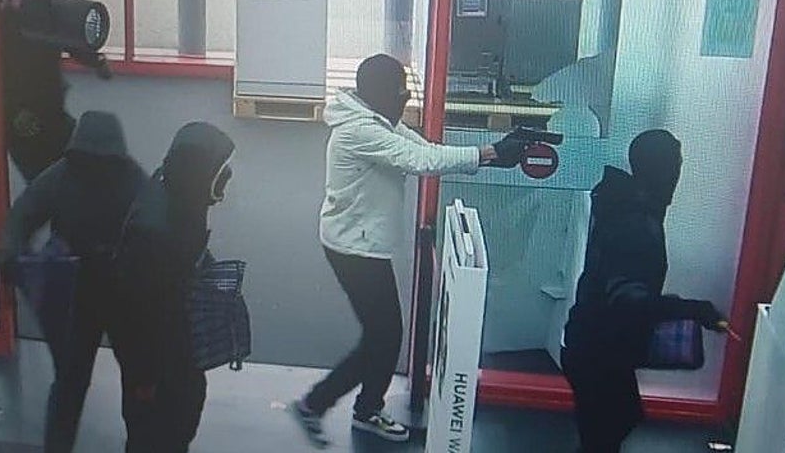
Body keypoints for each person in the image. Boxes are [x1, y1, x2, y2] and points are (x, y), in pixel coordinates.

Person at [293, 53, 529, 446]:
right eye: (400, 89)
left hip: (357, 242)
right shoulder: (359, 130)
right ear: (380, 92)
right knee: (384, 336)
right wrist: (488, 152)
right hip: (354, 248)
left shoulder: (376, 119)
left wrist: (489, 159)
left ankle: (340, 405)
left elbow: (426, 149)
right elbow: (420, 159)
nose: (405, 95)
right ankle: (333, 406)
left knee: (381, 335)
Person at [561, 129, 730, 453]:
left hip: (591, 344)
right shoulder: (637, 224)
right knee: (611, 427)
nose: (677, 177)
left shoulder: (623, 207)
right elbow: (627, 300)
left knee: (617, 422)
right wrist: (694, 311)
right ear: (661, 171)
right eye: (674, 167)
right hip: (600, 352)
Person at [0, 110, 148, 453]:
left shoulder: (70, 176)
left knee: (90, 380)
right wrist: (10, 246)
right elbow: (23, 216)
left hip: (102, 291)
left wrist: (11, 249)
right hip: (86, 292)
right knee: (78, 380)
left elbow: (24, 214)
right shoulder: (125, 180)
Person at [114, 121, 236, 453]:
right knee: (158, 432)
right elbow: (132, 312)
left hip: (173, 348)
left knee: (176, 416)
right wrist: (143, 380)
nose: (225, 176)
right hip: (157, 361)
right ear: (197, 171)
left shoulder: (180, 195)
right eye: (218, 169)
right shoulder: (153, 234)